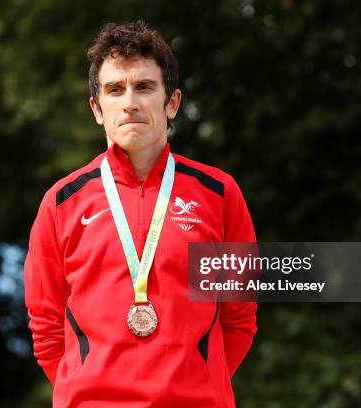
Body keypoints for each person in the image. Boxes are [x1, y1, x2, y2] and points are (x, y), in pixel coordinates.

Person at [24, 20, 257, 408]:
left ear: (173, 103)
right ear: (97, 109)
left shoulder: (219, 195)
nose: (129, 101)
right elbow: (47, 331)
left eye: (144, 87)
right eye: (115, 89)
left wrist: (196, 384)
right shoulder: (61, 202)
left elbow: (239, 318)